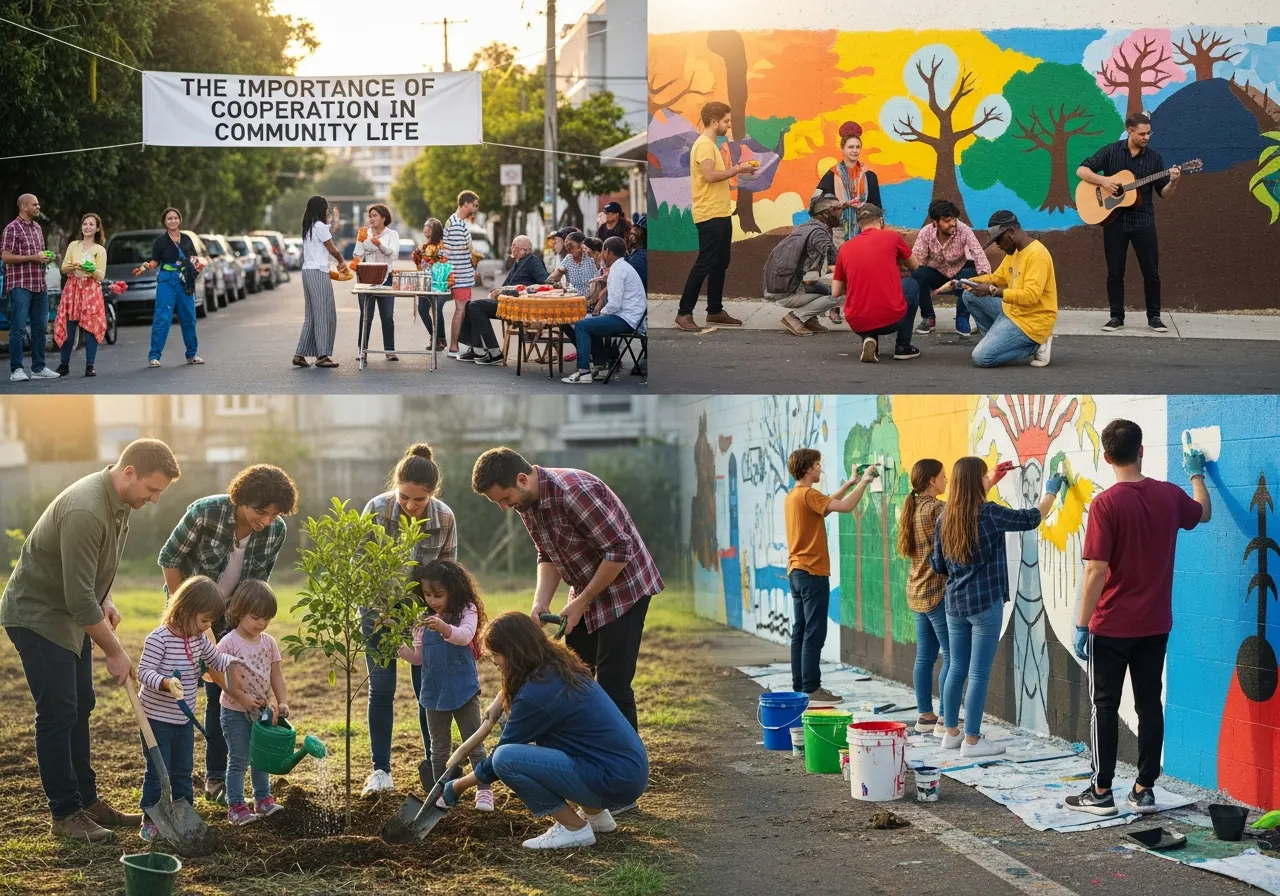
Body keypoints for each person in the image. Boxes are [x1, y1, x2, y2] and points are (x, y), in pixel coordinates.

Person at [2, 439, 180, 842]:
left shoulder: (119, 504)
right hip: (39, 616)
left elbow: (97, 570)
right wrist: (115, 652)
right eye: (151, 490)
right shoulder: (87, 508)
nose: (153, 500)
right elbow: (78, 598)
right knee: (58, 711)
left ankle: (86, 799)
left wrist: (108, 597)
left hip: (70, 613)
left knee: (82, 704)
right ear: (129, 472)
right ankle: (65, 814)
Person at [1064, 420, 1210, 817]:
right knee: (1150, 705)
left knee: (1104, 706)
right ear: (1141, 450)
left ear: (1108, 458)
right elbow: (1203, 513)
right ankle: (1144, 790)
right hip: (1155, 625)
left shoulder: (1106, 504)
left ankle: (1101, 791)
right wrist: (1197, 474)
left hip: (1110, 625)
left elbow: (1096, 569)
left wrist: (1081, 624)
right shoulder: (1169, 495)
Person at [471, 448, 663, 743]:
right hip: (586, 591)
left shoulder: (574, 493)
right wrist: (541, 601)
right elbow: (547, 553)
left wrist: (582, 600)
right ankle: (585, 750)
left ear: (522, 480)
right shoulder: (527, 504)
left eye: (503, 498)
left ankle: (624, 764)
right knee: (573, 675)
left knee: (613, 685)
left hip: (625, 589)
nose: (504, 507)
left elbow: (619, 551)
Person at [441, 613, 649, 850]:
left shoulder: (536, 694)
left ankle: (574, 828)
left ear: (514, 653)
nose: (495, 662)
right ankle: (597, 816)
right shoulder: (558, 667)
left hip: (613, 779)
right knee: (554, 742)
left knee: (505, 759)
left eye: (496, 655)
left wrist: (457, 787)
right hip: (629, 772)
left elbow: (500, 760)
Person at [156, 464, 298, 805]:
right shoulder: (206, 513)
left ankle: (218, 779)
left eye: (273, 514)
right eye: (259, 512)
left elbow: (256, 582)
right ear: (241, 499)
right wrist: (187, 614)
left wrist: (240, 631)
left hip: (234, 617)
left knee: (224, 691)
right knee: (196, 691)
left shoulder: (274, 531)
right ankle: (197, 779)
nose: (265, 520)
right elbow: (169, 558)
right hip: (190, 614)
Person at [930, 458, 1060, 758]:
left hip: (954, 603)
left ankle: (951, 733)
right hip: (984, 605)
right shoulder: (989, 514)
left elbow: (938, 565)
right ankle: (973, 741)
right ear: (977, 481)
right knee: (978, 674)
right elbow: (1031, 518)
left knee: (956, 668)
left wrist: (992, 478)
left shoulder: (944, 516)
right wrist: (1051, 492)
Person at [360, 444, 458, 797]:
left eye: (420, 500)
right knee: (382, 690)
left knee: (426, 693)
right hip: (378, 614)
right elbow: (362, 568)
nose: (411, 506)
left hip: (424, 618)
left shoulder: (444, 518)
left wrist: (433, 620)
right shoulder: (376, 509)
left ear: (433, 494)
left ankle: (437, 766)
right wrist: (379, 616)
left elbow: (448, 577)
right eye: (405, 497)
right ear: (396, 485)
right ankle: (380, 771)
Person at [136, 575, 241, 841]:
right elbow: (143, 672)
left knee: (182, 769)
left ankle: (184, 815)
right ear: (185, 610)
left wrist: (236, 661)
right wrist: (165, 682)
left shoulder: (198, 640)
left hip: (183, 720)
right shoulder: (158, 639)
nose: (207, 627)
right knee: (159, 772)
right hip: (156, 720)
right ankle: (150, 820)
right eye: (204, 620)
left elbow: (215, 658)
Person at [395, 560, 495, 812]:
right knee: (438, 748)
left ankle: (484, 791)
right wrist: (398, 645)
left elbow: (464, 636)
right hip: (434, 692)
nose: (433, 601)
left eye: (439, 595)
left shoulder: (466, 611)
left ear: (455, 590)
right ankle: (441, 791)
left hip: (463, 690)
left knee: (472, 742)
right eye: (427, 595)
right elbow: (419, 658)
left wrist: (443, 627)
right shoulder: (423, 621)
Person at [784, 450, 879, 704]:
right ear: (807, 469)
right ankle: (812, 689)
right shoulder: (808, 494)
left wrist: (849, 482)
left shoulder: (795, 496)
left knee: (801, 631)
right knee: (814, 633)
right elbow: (846, 507)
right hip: (812, 572)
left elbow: (827, 505)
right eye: (817, 466)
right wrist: (865, 481)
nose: (820, 470)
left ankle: (800, 688)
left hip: (796, 571)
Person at [1076, 112, 1181, 333]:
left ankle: (1154, 318)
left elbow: (1164, 193)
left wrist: (1173, 181)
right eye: (1142, 133)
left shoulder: (1154, 158)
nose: (1147, 137)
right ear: (1130, 131)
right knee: (1115, 272)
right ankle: (1116, 318)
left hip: (1143, 222)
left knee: (1151, 272)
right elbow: (1082, 170)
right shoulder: (1111, 151)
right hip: (1114, 223)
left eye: (1148, 133)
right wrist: (1104, 180)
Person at [940, 211, 1058, 369]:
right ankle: (999, 342)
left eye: (999, 240)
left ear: (1010, 232)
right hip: (1012, 312)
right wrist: (964, 282)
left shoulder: (1037, 255)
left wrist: (992, 291)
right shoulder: (1014, 252)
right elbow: (997, 278)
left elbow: (1031, 296)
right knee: (969, 295)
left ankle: (1036, 344)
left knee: (981, 358)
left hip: (1031, 322)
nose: (998, 246)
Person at [216, 580, 290, 825]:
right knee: (239, 758)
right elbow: (216, 675)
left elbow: (276, 674)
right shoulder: (228, 643)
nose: (261, 623)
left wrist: (282, 701)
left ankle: (263, 800)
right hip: (235, 711)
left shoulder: (268, 642)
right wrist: (242, 698)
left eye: (266, 618)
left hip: (262, 711)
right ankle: (236, 806)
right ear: (239, 611)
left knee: (261, 757)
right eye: (256, 617)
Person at [675, 101, 752, 332]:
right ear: (714, 121)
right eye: (726, 121)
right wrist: (737, 170)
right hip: (709, 215)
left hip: (719, 213)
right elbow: (709, 176)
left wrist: (737, 169)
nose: (729, 125)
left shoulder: (710, 145)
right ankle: (684, 312)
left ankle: (715, 310)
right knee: (706, 263)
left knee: (720, 263)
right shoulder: (705, 146)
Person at [897, 459, 950, 735]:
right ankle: (946, 719)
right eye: (943, 475)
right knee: (952, 657)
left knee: (925, 657)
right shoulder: (936, 509)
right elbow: (964, 514)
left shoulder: (913, 508)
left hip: (916, 592)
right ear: (932, 480)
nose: (947, 479)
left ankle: (925, 716)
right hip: (936, 593)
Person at [830, 204, 921, 362]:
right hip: (892, 320)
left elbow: (835, 292)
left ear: (858, 225)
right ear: (881, 220)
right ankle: (903, 347)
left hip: (857, 322)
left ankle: (869, 338)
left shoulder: (845, 248)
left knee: (864, 295)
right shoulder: (892, 237)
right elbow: (915, 266)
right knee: (911, 284)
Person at [814, 121, 883, 325]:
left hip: (864, 229)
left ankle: (860, 306)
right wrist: (842, 204)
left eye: (858, 147)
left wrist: (876, 223)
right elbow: (817, 202)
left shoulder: (869, 175)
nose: (855, 150)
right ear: (842, 149)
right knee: (838, 268)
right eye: (851, 147)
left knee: (863, 268)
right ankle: (834, 307)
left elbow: (877, 204)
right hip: (839, 229)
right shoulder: (832, 174)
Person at [562, 237, 645, 384]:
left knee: (582, 325)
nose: (601, 256)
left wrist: (599, 314)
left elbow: (614, 304)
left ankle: (584, 372)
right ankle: (601, 367)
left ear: (607, 251)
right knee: (588, 322)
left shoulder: (618, 270)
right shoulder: (621, 267)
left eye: (603, 252)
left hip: (626, 319)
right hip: (630, 318)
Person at [459, 234, 549, 365]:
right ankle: (477, 349)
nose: (513, 249)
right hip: (506, 302)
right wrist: (497, 292)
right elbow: (506, 285)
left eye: (516, 247)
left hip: (520, 305)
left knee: (475, 306)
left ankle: (495, 353)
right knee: (470, 305)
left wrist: (514, 291)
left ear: (526, 250)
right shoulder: (518, 263)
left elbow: (544, 285)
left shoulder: (533, 262)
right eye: (513, 246)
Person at [910, 199, 991, 335]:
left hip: (959, 273)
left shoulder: (963, 230)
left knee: (970, 273)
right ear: (936, 222)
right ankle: (928, 318)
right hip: (937, 274)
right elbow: (918, 260)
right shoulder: (926, 233)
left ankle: (962, 318)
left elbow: (978, 254)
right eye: (947, 221)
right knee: (918, 274)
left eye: (954, 219)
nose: (952, 223)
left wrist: (987, 278)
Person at [2, 194, 60, 382]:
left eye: (38, 203)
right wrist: (33, 257)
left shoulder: (37, 228)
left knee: (40, 327)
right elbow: (6, 257)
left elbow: (38, 255)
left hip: (38, 284)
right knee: (18, 327)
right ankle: (16, 370)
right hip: (20, 284)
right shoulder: (12, 228)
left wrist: (45, 257)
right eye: (34, 204)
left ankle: (38, 368)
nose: (38, 206)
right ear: (24, 206)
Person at [771, 194, 842, 337]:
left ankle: (809, 320)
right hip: (788, 290)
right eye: (838, 210)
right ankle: (796, 317)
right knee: (841, 291)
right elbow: (837, 265)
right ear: (826, 213)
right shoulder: (819, 234)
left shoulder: (808, 227)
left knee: (825, 285)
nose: (841, 214)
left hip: (781, 285)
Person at [294, 196, 349, 369]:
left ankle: (300, 354)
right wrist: (341, 261)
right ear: (320, 209)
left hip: (307, 272)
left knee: (311, 316)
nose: (328, 212)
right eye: (326, 209)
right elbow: (331, 247)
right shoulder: (319, 226)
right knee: (325, 313)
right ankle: (322, 355)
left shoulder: (308, 227)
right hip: (318, 273)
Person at [55, 212, 109, 378]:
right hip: (73, 288)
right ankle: (64, 365)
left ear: (97, 228)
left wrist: (92, 270)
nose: (87, 227)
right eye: (85, 224)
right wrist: (72, 267)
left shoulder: (100, 250)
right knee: (69, 327)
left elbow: (101, 275)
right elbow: (63, 268)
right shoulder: (73, 246)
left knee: (91, 328)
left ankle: (90, 365)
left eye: (91, 224)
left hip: (91, 290)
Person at [352, 203, 399, 361]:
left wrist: (379, 244)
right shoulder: (364, 233)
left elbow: (393, 255)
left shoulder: (392, 235)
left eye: (375, 216)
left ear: (383, 218)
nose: (371, 219)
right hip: (366, 279)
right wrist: (361, 241)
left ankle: (390, 350)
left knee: (387, 316)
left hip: (386, 279)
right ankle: (362, 351)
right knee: (366, 316)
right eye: (370, 216)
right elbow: (357, 254)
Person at [444, 191, 480, 359]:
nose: (475, 208)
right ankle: (453, 347)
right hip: (460, 275)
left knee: (463, 310)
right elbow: (455, 252)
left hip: (460, 275)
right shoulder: (457, 224)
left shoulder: (456, 221)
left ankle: (459, 346)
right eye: (474, 204)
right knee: (460, 310)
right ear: (466, 204)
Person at [413, 218, 449, 353]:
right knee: (422, 310)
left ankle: (440, 339)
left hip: (438, 283)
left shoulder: (442, 245)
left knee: (436, 310)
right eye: (425, 226)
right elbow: (419, 264)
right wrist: (417, 255)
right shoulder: (423, 245)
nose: (425, 228)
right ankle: (434, 335)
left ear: (435, 230)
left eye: (429, 226)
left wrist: (433, 259)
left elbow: (445, 262)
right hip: (424, 282)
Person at [627, 214, 647, 289]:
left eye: (633, 234)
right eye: (631, 234)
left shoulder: (639, 257)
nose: (631, 237)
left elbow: (635, 285)